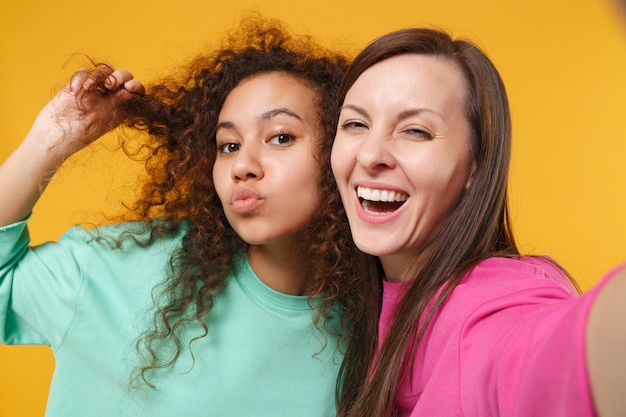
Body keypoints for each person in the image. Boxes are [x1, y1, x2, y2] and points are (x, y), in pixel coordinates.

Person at [0, 18, 360, 417]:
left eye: (280, 137)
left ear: (340, 151)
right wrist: (47, 141)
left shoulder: (370, 323)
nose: (243, 164)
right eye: (228, 145)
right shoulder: (118, 271)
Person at [331, 27, 626, 417]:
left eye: (416, 131)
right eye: (355, 124)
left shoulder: (491, 309)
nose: (371, 155)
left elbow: (547, 357)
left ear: (476, 165)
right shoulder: (347, 303)